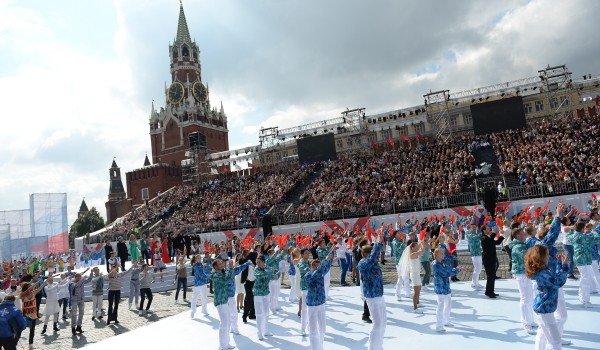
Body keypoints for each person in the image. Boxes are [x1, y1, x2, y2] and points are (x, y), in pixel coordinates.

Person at [525, 245, 569, 350]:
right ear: (541, 257)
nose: (549, 256)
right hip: (545, 309)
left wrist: (559, 263)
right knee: (555, 340)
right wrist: (565, 266)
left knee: (543, 333)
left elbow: (554, 277)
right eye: (547, 254)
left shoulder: (543, 269)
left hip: (545, 308)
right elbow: (558, 282)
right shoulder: (541, 273)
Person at [358, 231, 386, 350]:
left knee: (383, 324)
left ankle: (379, 346)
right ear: (364, 254)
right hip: (371, 297)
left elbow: (374, 257)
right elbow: (373, 257)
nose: (373, 255)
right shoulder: (363, 263)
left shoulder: (373, 262)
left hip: (379, 295)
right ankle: (372, 348)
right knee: (377, 324)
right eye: (369, 252)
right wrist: (378, 243)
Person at [566, 215, 600, 307]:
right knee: (586, 279)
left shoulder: (573, 236)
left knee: (584, 279)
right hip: (584, 260)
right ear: (582, 229)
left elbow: (568, 234)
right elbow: (597, 239)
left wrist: (573, 228)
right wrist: (594, 231)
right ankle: (585, 300)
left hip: (578, 260)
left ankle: (582, 297)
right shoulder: (585, 237)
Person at [305, 248, 335, 350]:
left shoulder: (319, 272)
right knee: (313, 330)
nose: (318, 267)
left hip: (321, 303)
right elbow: (317, 273)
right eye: (316, 265)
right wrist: (325, 261)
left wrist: (331, 253)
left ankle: (320, 347)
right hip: (312, 305)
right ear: (312, 266)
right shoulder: (308, 275)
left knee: (322, 328)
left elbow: (326, 267)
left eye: (318, 265)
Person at [509, 227, 536, 335]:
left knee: (529, 297)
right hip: (521, 274)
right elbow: (529, 258)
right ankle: (526, 322)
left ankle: (530, 320)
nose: (525, 234)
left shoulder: (522, 245)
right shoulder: (519, 247)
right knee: (525, 298)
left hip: (525, 273)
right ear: (518, 236)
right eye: (523, 233)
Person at [432, 248, 461, 333]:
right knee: (440, 306)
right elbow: (445, 273)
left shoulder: (443, 262)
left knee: (448, 305)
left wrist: (457, 269)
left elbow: (449, 269)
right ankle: (439, 325)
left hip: (446, 287)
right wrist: (457, 270)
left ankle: (446, 321)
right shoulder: (435, 264)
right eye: (441, 253)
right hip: (440, 288)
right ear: (436, 254)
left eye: (443, 253)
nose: (443, 255)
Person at [210, 259, 235, 350]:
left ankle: (226, 343)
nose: (222, 264)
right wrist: (231, 268)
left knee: (227, 322)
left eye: (222, 263)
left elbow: (228, 277)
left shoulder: (222, 272)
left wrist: (230, 269)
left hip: (224, 300)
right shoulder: (216, 275)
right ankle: (222, 346)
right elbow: (227, 281)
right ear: (215, 267)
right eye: (219, 264)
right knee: (224, 323)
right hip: (220, 301)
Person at [253, 255, 277, 341]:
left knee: (266, 313)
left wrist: (272, 273)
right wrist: (270, 272)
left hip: (266, 293)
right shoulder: (256, 269)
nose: (257, 264)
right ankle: (259, 332)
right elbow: (260, 276)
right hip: (258, 293)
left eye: (259, 262)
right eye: (257, 262)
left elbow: (275, 275)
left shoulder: (267, 268)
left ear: (263, 262)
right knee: (259, 314)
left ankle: (266, 330)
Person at [399, 241, 427, 313]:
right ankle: (415, 308)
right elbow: (423, 251)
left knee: (419, 289)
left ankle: (418, 302)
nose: (418, 247)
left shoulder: (415, 253)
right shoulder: (413, 254)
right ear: (413, 247)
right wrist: (423, 245)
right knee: (416, 291)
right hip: (414, 275)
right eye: (416, 247)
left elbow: (421, 250)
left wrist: (421, 244)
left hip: (417, 274)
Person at [225, 258, 251, 336]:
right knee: (228, 313)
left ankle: (234, 327)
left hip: (231, 296)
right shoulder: (225, 272)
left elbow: (241, 268)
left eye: (231, 263)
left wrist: (247, 263)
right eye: (229, 263)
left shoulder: (233, 270)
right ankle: (231, 327)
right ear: (226, 264)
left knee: (233, 313)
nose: (230, 264)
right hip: (225, 297)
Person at [20, 279, 48, 348]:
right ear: (26, 288)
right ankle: (15, 341)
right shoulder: (22, 295)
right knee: (20, 329)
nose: (31, 287)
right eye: (29, 286)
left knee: (32, 330)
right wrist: (34, 284)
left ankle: (31, 343)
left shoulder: (33, 293)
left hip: (33, 315)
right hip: (25, 315)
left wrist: (46, 280)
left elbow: (41, 287)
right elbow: (26, 291)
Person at [481, 222, 504, 298]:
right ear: (484, 230)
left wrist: (501, 235)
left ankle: (491, 291)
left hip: (491, 258)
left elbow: (496, 242)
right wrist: (495, 233)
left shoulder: (488, 237)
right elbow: (491, 242)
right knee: (490, 276)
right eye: (488, 228)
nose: (489, 229)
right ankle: (488, 292)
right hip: (487, 259)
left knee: (492, 276)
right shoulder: (484, 238)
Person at [68, 268, 92, 335]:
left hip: (81, 300)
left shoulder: (81, 281)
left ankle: (79, 326)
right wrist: (82, 279)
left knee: (81, 313)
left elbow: (89, 280)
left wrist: (91, 273)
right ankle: (73, 328)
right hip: (74, 301)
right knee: (74, 314)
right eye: (77, 277)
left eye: (79, 277)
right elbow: (77, 285)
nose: (79, 278)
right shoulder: (72, 283)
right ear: (75, 278)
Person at [240, 249, 257, 323]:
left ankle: (252, 314)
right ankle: (245, 315)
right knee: (248, 299)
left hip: (254, 282)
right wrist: (246, 258)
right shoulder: (247, 262)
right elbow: (241, 262)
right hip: (248, 282)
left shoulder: (255, 263)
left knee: (252, 298)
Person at [297, 248, 311, 336]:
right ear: (302, 255)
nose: (308, 255)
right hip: (305, 287)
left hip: (310, 287)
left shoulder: (308, 262)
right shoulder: (301, 263)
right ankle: (302, 328)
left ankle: (309, 326)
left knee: (310, 308)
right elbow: (306, 271)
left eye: (308, 253)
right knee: (305, 309)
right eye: (306, 253)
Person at [466, 222, 484, 290]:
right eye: (472, 227)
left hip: (478, 252)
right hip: (474, 253)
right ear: (470, 227)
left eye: (475, 227)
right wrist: (482, 233)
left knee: (479, 269)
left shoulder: (477, 233)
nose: (474, 228)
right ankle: (473, 284)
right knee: (477, 269)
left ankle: (476, 282)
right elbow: (474, 237)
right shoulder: (468, 233)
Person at [391, 232, 409, 301]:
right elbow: (398, 250)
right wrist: (403, 243)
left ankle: (408, 293)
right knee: (401, 278)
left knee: (406, 277)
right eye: (398, 234)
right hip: (399, 262)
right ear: (395, 235)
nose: (400, 234)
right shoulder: (395, 242)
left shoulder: (400, 241)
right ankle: (397, 294)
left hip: (404, 261)